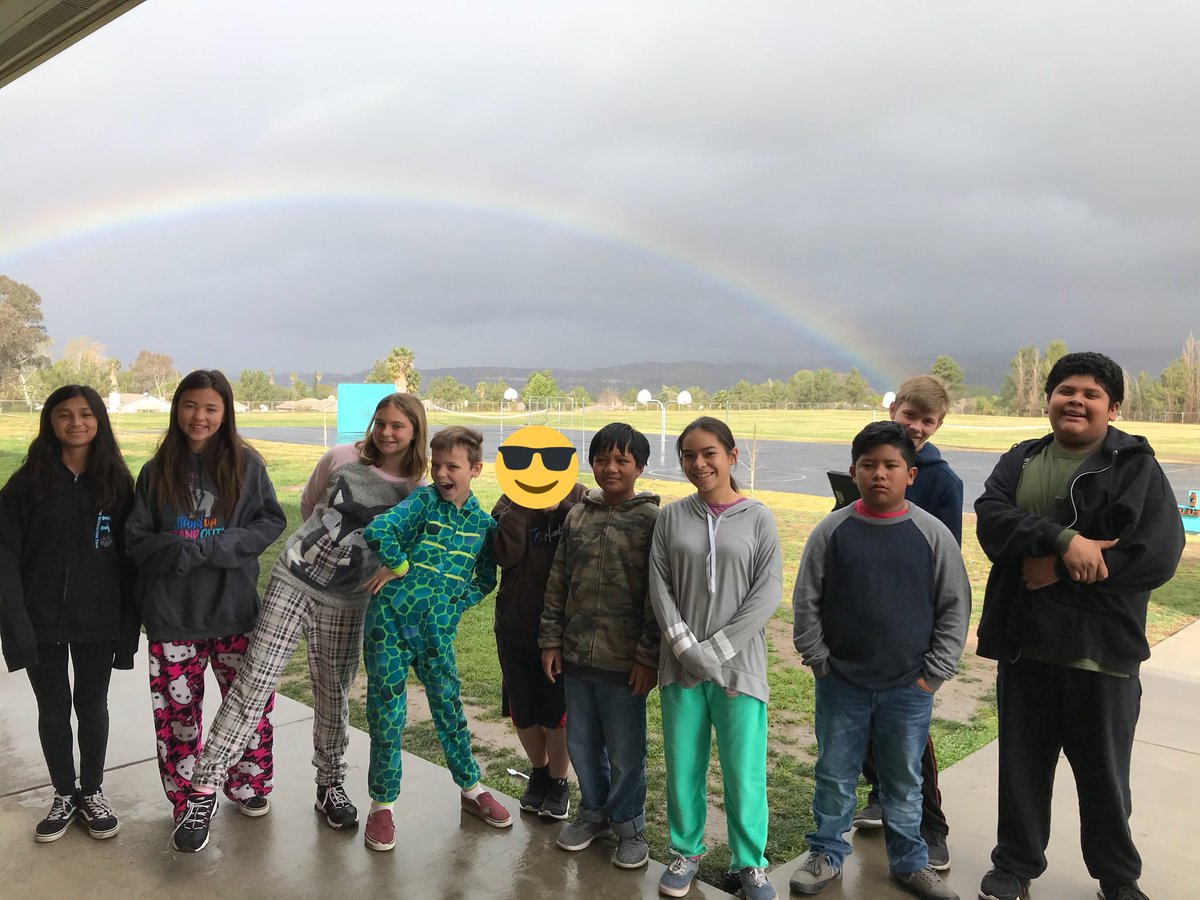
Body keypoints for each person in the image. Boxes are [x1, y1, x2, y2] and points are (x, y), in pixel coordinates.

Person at [169, 393, 428, 852]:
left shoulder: (416, 491)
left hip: (348, 602)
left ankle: (330, 785)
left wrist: (388, 568)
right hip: (294, 580)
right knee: (254, 682)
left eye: (398, 426)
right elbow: (311, 508)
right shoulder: (342, 458)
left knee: (333, 696)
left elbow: (410, 547)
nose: (387, 432)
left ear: (415, 433)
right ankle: (203, 791)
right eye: (381, 422)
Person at [974, 352, 1185, 900]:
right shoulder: (1021, 459)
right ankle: (1014, 866)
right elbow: (992, 521)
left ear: (1112, 408)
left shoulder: (1135, 467)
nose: (1076, 401)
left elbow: (1156, 555)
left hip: (1102, 650)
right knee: (1022, 771)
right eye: (1066, 390)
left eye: (1092, 394)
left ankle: (1117, 877)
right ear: (1048, 399)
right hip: (1026, 647)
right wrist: (1064, 540)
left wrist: (1060, 569)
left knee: (1105, 777)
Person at [790, 421, 969, 900]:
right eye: (868, 465)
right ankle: (826, 853)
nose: (879, 474)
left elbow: (954, 606)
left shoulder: (931, 535)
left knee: (904, 781)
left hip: (908, 688)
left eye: (891, 465)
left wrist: (933, 675)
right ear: (853, 472)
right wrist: (819, 659)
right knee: (834, 775)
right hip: (841, 685)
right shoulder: (832, 530)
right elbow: (807, 598)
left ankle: (910, 862)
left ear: (911, 474)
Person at [124, 370, 286, 838]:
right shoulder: (156, 471)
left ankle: (248, 783)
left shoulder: (247, 466)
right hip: (174, 616)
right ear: (177, 408)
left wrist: (214, 546)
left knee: (249, 705)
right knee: (177, 715)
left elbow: (270, 522)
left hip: (235, 611)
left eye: (211, 408)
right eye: (191, 405)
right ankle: (187, 796)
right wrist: (180, 550)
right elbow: (136, 538)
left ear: (225, 413)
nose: (200, 416)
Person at [649, 416, 783, 900]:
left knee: (743, 770)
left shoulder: (758, 518)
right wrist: (688, 651)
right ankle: (686, 851)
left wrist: (717, 653)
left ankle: (750, 863)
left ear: (731, 456)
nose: (699, 464)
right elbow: (659, 587)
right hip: (679, 667)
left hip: (739, 669)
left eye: (709, 453)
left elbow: (768, 592)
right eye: (689, 455)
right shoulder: (670, 517)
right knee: (683, 765)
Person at [360, 425, 508, 852]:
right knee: (387, 715)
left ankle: (471, 788)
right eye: (437, 464)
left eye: (452, 467)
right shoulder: (423, 502)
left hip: (436, 632)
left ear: (475, 470)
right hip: (389, 625)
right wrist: (401, 567)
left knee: (449, 707)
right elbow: (379, 530)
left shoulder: (483, 524)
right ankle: (382, 805)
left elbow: (486, 579)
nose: (442, 473)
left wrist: (454, 605)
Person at [0, 385, 137, 842]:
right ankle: (63, 793)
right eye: (64, 414)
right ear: (50, 422)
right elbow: (6, 556)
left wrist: (127, 630)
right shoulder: (27, 484)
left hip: (99, 620)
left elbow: (130, 561)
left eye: (85, 413)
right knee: (54, 708)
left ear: (99, 420)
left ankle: (92, 791)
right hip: (40, 621)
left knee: (92, 705)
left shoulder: (117, 483)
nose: (76, 422)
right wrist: (15, 625)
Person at [854, 375, 964, 871]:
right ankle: (880, 796)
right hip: (860, 617)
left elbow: (946, 561)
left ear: (938, 425)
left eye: (927, 420)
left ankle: (930, 826)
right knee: (861, 721)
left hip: (909, 626)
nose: (916, 426)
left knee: (909, 734)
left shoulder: (942, 481)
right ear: (893, 409)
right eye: (909, 415)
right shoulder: (870, 457)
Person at [538, 423, 660, 869]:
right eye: (602, 459)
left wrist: (648, 657)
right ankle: (594, 813)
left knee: (626, 752)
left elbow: (658, 596)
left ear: (639, 467)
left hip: (625, 663)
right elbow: (558, 581)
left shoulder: (652, 521)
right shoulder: (577, 516)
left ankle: (628, 824)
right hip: (575, 656)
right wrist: (551, 640)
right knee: (583, 743)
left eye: (622, 460)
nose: (611, 468)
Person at [491, 480, 587, 820]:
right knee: (523, 708)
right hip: (516, 625)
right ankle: (539, 771)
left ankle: (559, 781)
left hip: (563, 630)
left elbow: (589, 546)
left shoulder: (580, 497)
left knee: (557, 710)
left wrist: (561, 508)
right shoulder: (507, 502)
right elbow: (504, 555)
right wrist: (521, 504)